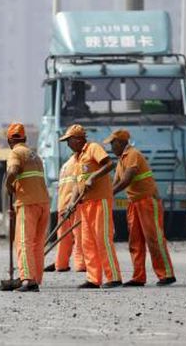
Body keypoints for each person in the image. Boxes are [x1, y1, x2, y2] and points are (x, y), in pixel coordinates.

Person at [105, 128, 176, 287]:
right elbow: (115, 183)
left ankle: (166, 274)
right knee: (135, 241)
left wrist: (109, 195)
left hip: (147, 201)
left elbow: (126, 181)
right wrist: (104, 194)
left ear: (122, 142)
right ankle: (138, 277)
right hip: (134, 203)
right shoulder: (121, 160)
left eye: (113, 143)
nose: (111, 147)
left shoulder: (133, 155)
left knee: (154, 238)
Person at [62, 124, 122, 289]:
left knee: (102, 239)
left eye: (69, 140)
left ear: (78, 139)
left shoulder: (93, 148)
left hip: (100, 201)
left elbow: (110, 164)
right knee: (87, 242)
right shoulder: (78, 157)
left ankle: (114, 277)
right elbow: (77, 185)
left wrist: (93, 177)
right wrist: (71, 204)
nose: (68, 144)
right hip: (85, 204)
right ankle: (93, 279)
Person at [4, 122, 50, 292]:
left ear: (10, 140)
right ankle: (35, 278)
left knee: (23, 241)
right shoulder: (34, 154)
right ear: (25, 138)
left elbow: (14, 170)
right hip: (43, 203)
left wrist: (9, 185)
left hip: (28, 203)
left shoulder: (16, 152)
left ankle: (28, 279)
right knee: (37, 244)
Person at [45, 155, 86, 273]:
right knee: (80, 237)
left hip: (62, 205)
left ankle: (60, 264)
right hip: (74, 206)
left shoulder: (65, 165)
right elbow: (80, 185)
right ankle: (81, 264)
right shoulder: (79, 164)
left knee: (63, 238)